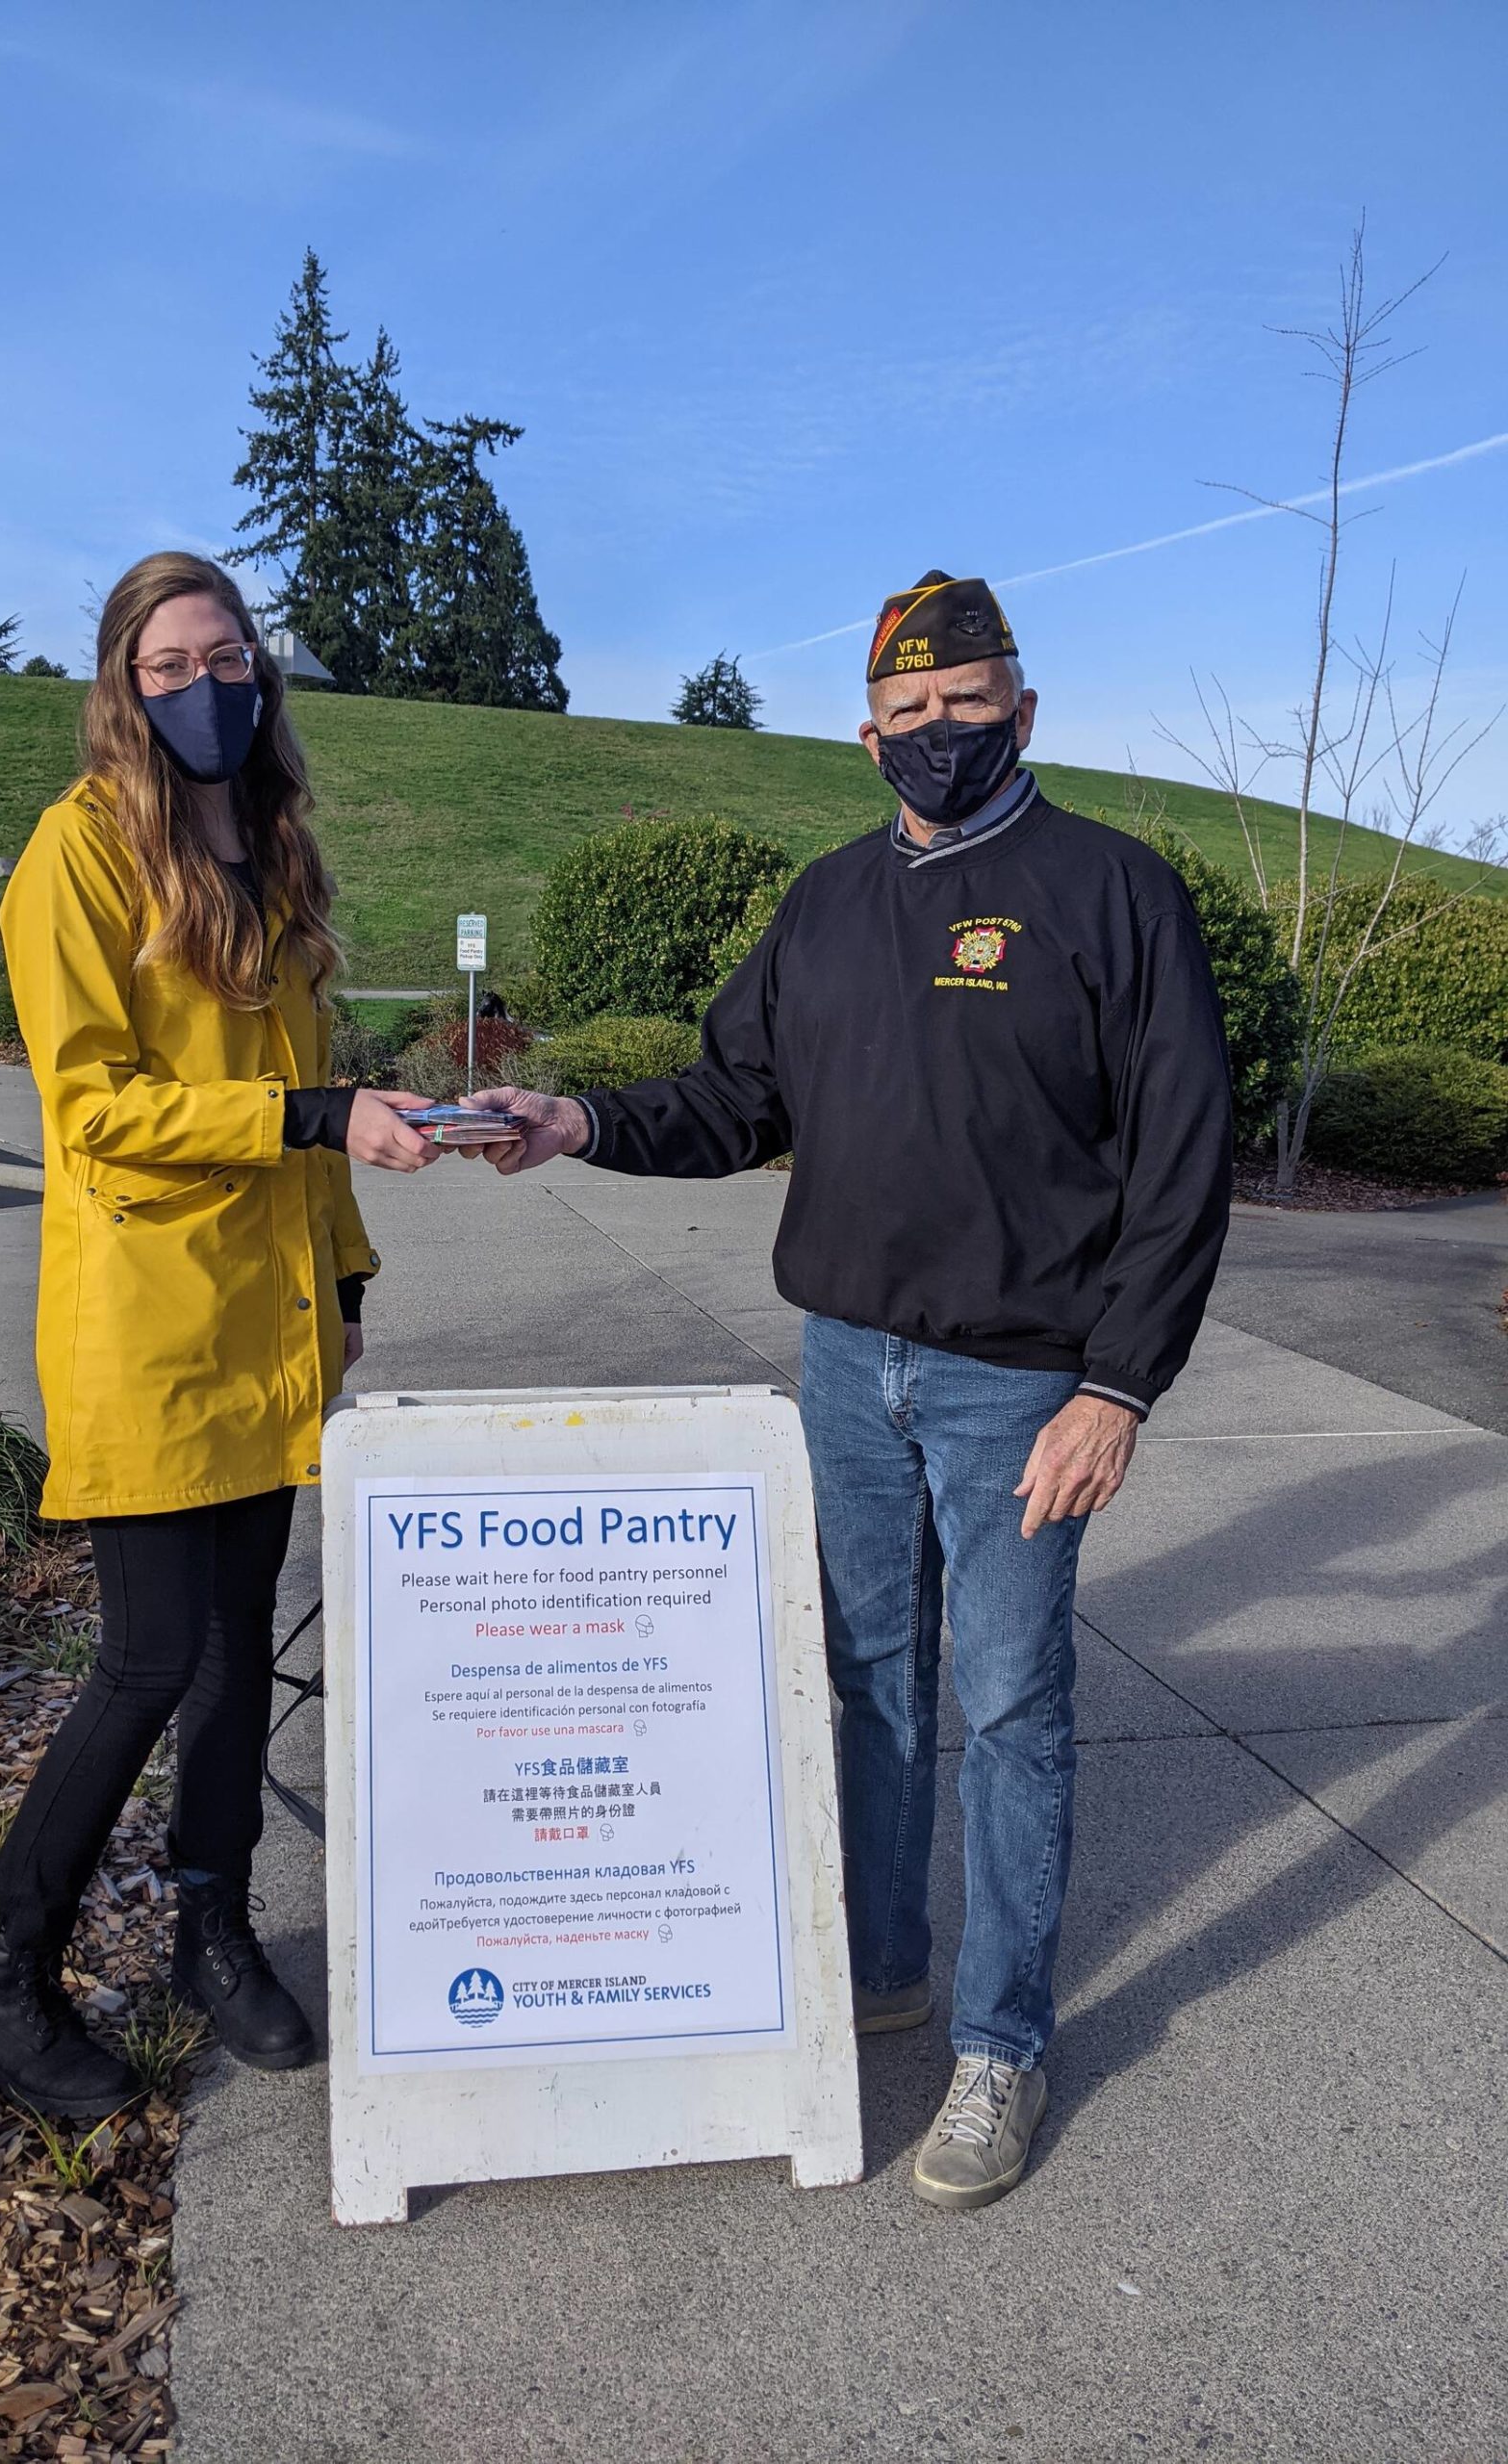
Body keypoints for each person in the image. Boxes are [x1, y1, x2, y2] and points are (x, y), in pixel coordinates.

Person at [469, 572, 1234, 2211]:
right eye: (911, 712)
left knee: (1013, 1708)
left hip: (1024, 1384)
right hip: (843, 1364)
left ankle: (1000, 2045)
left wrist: (1120, 1386)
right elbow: (737, 1094)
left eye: (970, 705)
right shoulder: (823, 905)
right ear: (866, 733)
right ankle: (878, 1965)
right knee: (870, 1679)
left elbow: (1183, 1163)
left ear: (1024, 711)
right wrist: (579, 1122)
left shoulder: (1114, 893)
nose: (940, 733)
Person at [0, 552, 446, 2119]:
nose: (203, 684)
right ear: (121, 682)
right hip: (151, 1328)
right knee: (150, 1659)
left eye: (225, 655)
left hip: (273, 1323)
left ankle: (208, 1928)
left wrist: (347, 1284)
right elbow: (95, 1111)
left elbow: (312, 1114)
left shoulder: (269, 848)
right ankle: (4, 1983)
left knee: (236, 1655)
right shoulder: (77, 856)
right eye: (169, 664)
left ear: (260, 672)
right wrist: (315, 1113)